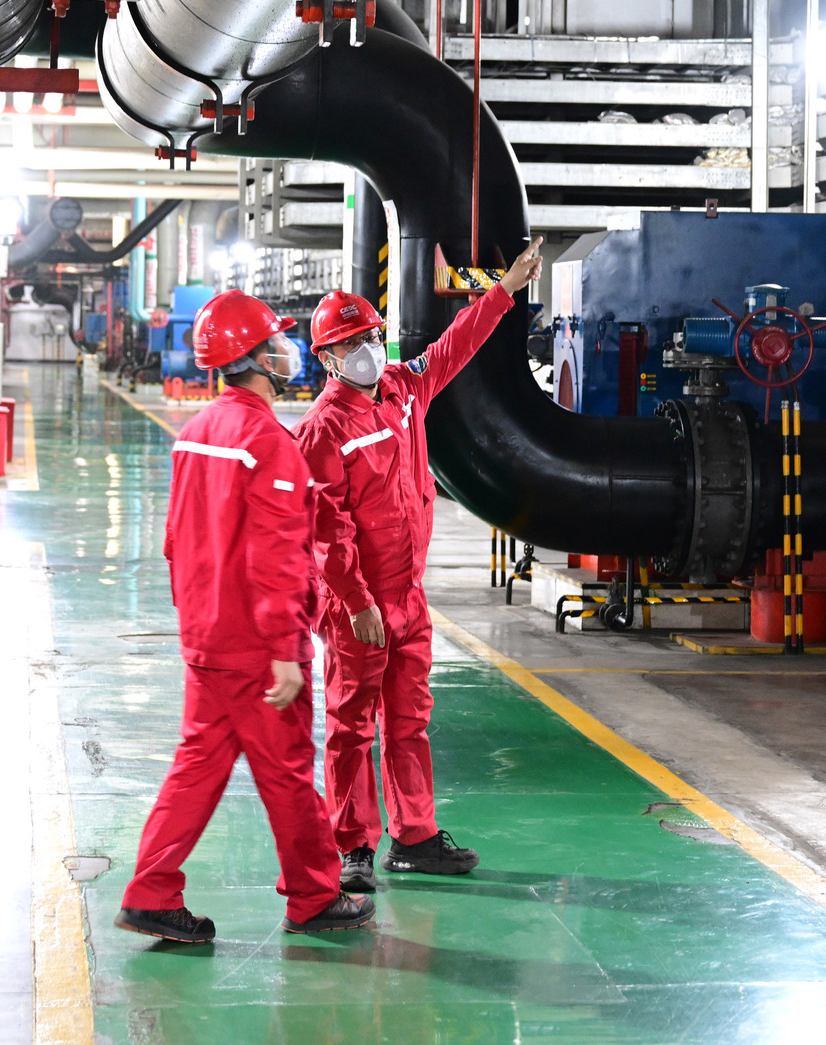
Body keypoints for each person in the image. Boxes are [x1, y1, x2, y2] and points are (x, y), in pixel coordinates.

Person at [116, 289, 375, 943]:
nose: (289, 349)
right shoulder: (268, 442)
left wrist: (197, 620)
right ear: (257, 356)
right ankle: (315, 894)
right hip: (257, 648)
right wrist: (286, 646)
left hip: (205, 635)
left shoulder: (196, 432)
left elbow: (175, 540)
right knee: (288, 768)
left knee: (198, 763)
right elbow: (278, 556)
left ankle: (150, 889)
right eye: (279, 341)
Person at [298, 238, 544, 893]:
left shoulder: (405, 390)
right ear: (325, 358)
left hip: (407, 598)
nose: (368, 351)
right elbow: (327, 529)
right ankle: (352, 845)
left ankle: (414, 835)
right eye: (353, 343)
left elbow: (455, 346)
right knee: (351, 726)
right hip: (359, 607)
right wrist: (356, 602)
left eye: (373, 336)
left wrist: (505, 290)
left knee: (409, 720)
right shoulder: (323, 427)